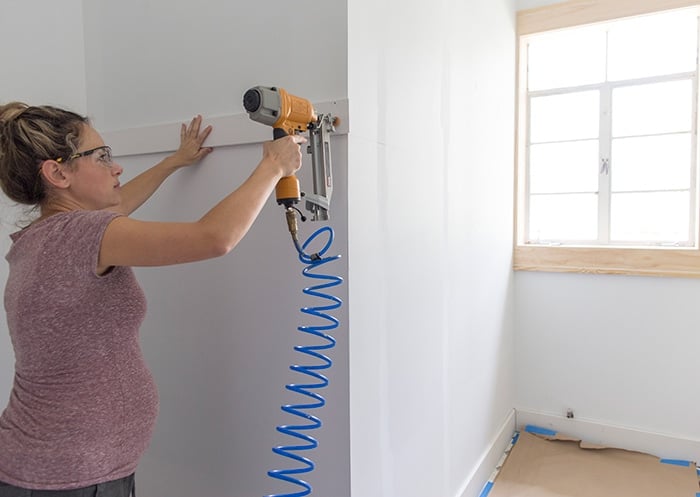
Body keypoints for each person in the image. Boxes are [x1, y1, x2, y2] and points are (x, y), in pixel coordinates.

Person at [0, 102, 305, 496]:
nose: (117, 167)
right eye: (101, 156)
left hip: (54, 469)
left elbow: (119, 205)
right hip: (67, 479)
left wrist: (174, 162)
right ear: (58, 172)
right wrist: (273, 167)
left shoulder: (43, 236)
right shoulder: (82, 234)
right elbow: (213, 237)